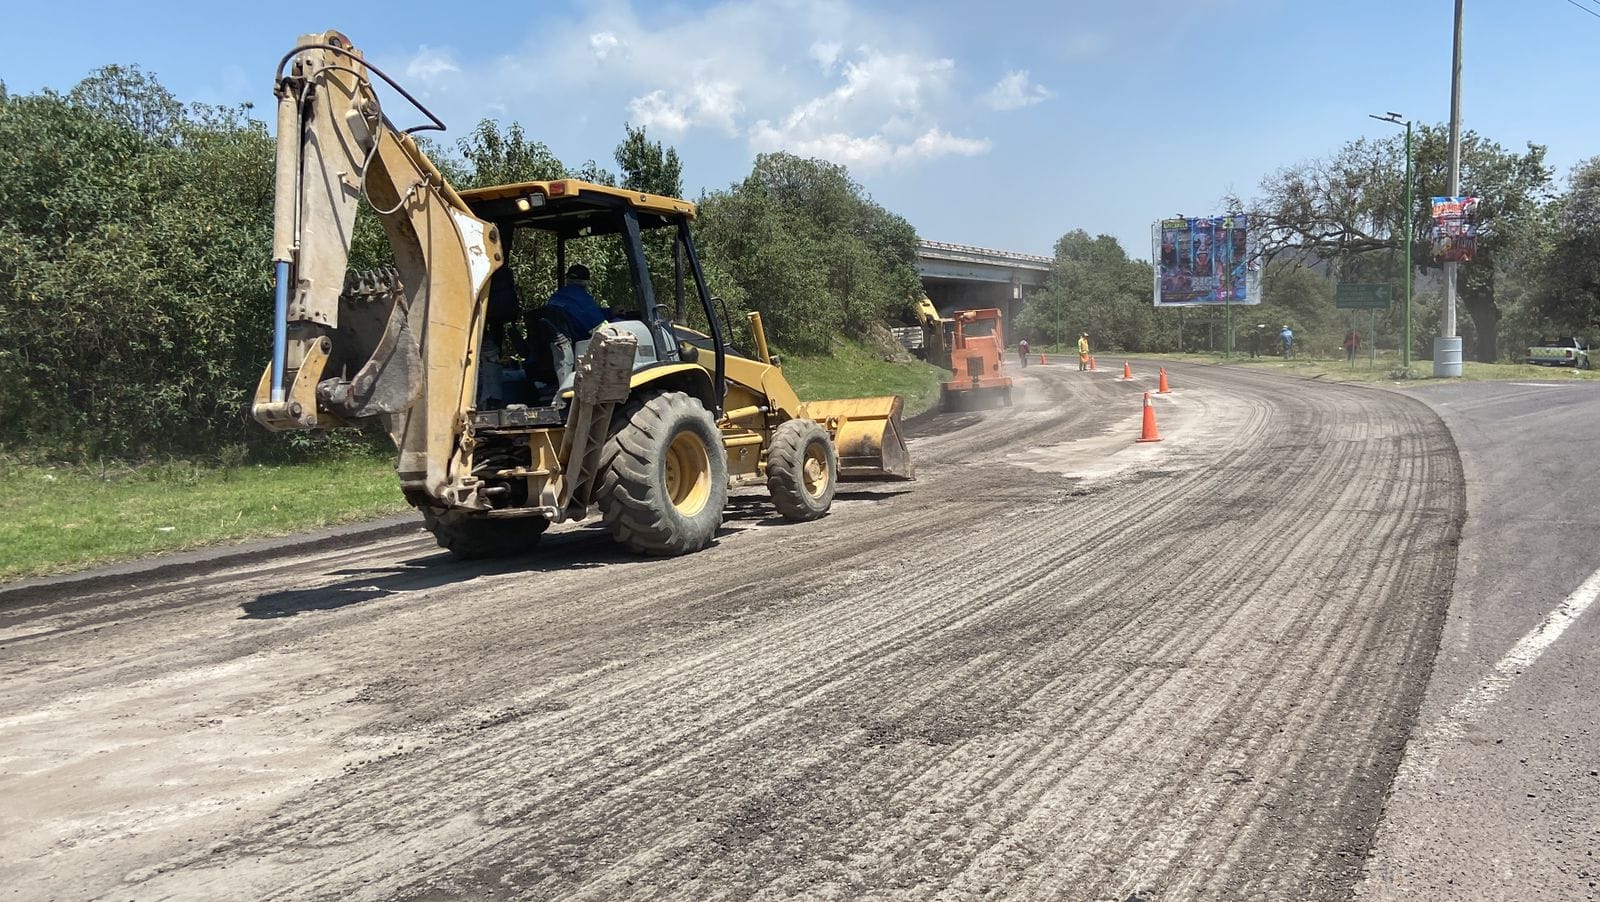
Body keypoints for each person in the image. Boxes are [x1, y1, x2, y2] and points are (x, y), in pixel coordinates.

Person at [543, 263, 607, 341]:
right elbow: (601, 329)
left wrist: (610, 312)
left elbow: (583, 314)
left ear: (567, 280)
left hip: (554, 347)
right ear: (586, 282)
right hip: (579, 348)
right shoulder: (583, 300)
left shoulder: (555, 297)